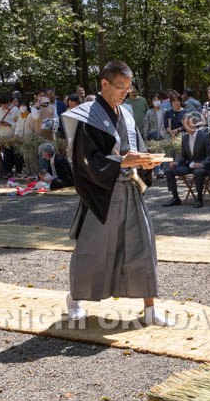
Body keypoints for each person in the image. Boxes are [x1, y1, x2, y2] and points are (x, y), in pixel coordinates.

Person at [61, 59, 171, 327]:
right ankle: (75, 299)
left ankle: (150, 308)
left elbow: (137, 150)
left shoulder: (127, 114)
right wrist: (123, 161)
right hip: (103, 192)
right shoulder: (88, 116)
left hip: (130, 188)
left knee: (143, 246)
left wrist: (145, 162)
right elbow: (86, 161)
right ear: (104, 84)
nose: (125, 92)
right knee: (94, 250)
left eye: (128, 87)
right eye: (120, 86)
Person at [163, 112, 210, 208]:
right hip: (189, 165)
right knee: (169, 170)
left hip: (202, 167)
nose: (186, 126)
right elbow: (183, 156)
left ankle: (199, 198)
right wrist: (177, 163)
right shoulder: (185, 138)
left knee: (198, 172)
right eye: (184, 124)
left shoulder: (205, 136)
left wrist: (201, 164)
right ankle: (175, 198)